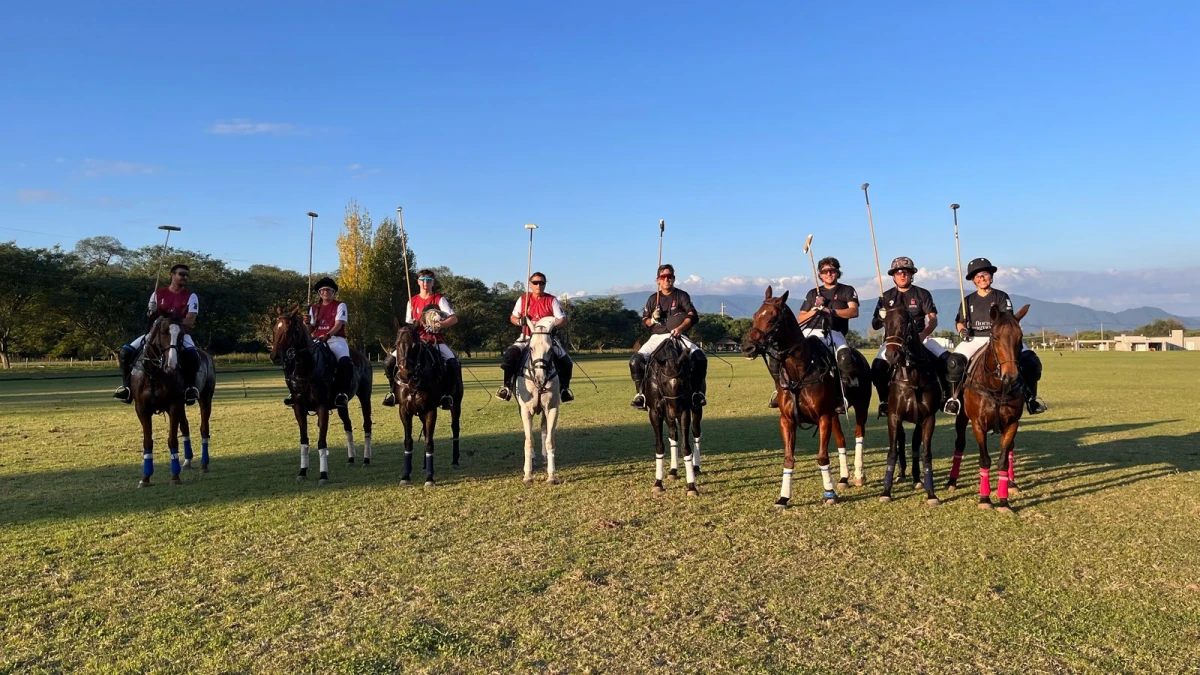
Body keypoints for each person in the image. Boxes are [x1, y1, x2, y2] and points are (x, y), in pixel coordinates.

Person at [944, 257, 1047, 415]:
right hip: (975, 338)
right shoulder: (968, 300)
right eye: (978, 276)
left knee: (1032, 362)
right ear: (973, 281)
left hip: (1001, 339)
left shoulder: (1001, 296)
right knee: (954, 363)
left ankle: (1031, 399)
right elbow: (959, 321)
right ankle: (954, 399)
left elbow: (1009, 320)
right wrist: (962, 330)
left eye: (985, 274)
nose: (982, 278)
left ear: (991, 277)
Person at [869, 256, 950, 417]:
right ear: (893, 276)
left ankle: (946, 397)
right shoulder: (885, 297)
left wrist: (923, 335)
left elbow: (932, 320)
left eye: (906, 272)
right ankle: (885, 401)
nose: (902, 275)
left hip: (920, 338)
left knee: (948, 360)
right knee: (877, 368)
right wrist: (880, 316)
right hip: (894, 341)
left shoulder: (922, 294)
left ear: (911, 274)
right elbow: (875, 325)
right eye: (898, 272)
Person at [782, 256, 861, 413]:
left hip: (834, 332)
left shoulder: (847, 290)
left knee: (844, 356)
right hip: (809, 331)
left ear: (838, 272)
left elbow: (854, 311)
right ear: (820, 274)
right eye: (825, 271)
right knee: (784, 354)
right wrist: (815, 309)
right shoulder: (813, 294)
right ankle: (781, 390)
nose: (829, 274)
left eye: (832, 270)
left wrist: (830, 311)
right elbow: (801, 317)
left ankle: (844, 395)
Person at [113, 263, 201, 405]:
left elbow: (190, 320)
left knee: (192, 355)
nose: (184, 277)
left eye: (186, 275)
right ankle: (127, 388)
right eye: (181, 274)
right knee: (125, 352)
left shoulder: (191, 296)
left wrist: (172, 324)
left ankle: (190, 388)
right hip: (156, 333)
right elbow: (150, 316)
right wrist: (151, 311)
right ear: (172, 275)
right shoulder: (157, 294)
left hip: (179, 333)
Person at [629, 264, 707, 410]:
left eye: (669, 277)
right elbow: (644, 322)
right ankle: (641, 395)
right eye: (663, 277)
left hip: (678, 335)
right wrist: (652, 319)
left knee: (700, 357)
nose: (667, 280)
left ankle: (697, 393)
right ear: (658, 280)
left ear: (674, 278)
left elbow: (692, 315)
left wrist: (680, 328)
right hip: (657, 336)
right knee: (635, 361)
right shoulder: (653, 299)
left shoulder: (681, 295)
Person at [381, 269, 460, 410]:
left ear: (432, 283)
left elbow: (453, 319)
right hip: (416, 341)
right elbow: (409, 324)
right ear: (418, 282)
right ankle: (393, 393)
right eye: (422, 280)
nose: (425, 283)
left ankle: (446, 395)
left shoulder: (439, 299)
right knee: (388, 363)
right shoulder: (412, 301)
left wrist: (440, 324)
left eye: (428, 281)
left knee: (453, 363)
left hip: (435, 341)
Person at [496, 271, 575, 402]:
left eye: (542, 283)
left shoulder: (551, 300)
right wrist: (519, 321)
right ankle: (507, 387)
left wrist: (554, 327)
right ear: (530, 284)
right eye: (535, 283)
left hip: (547, 340)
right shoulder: (523, 299)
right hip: (526, 338)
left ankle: (564, 390)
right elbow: (513, 317)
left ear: (545, 284)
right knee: (510, 356)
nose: (539, 285)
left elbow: (562, 319)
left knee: (566, 362)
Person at [283, 277, 353, 408]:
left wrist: (328, 335)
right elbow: (310, 329)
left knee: (345, 362)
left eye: (328, 289)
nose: (325, 292)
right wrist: (307, 323)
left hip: (335, 340)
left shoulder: (340, 305)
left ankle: (342, 393)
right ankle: (294, 392)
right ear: (319, 293)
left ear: (333, 292)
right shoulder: (314, 307)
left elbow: (339, 324)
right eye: (322, 290)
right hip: (316, 340)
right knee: (295, 359)